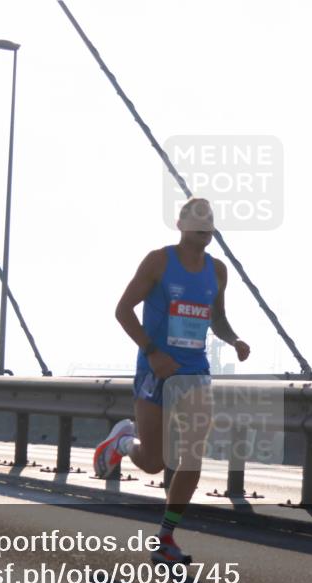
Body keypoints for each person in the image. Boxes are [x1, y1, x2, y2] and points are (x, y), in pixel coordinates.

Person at [93, 197, 250, 564]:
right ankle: (123, 441)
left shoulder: (218, 270)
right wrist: (152, 352)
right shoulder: (159, 261)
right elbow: (122, 310)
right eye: (196, 217)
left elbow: (218, 317)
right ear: (179, 223)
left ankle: (166, 538)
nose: (204, 224)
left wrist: (234, 339)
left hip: (195, 371)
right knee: (153, 460)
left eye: (210, 218)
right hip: (157, 370)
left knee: (192, 456)